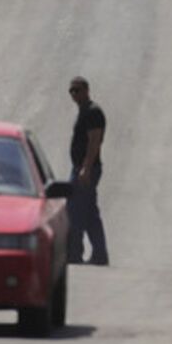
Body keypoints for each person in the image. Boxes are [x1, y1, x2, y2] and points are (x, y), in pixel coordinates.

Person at [67, 76, 108, 265]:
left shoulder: (93, 112)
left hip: (86, 170)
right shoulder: (84, 111)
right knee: (90, 213)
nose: (74, 94)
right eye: (71, 91)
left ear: (86, 90)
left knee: (75, 211)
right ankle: (100, 255)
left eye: (77, 90)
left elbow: (94, 142)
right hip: (81, 168)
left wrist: (86, 168)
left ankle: (74, 254)